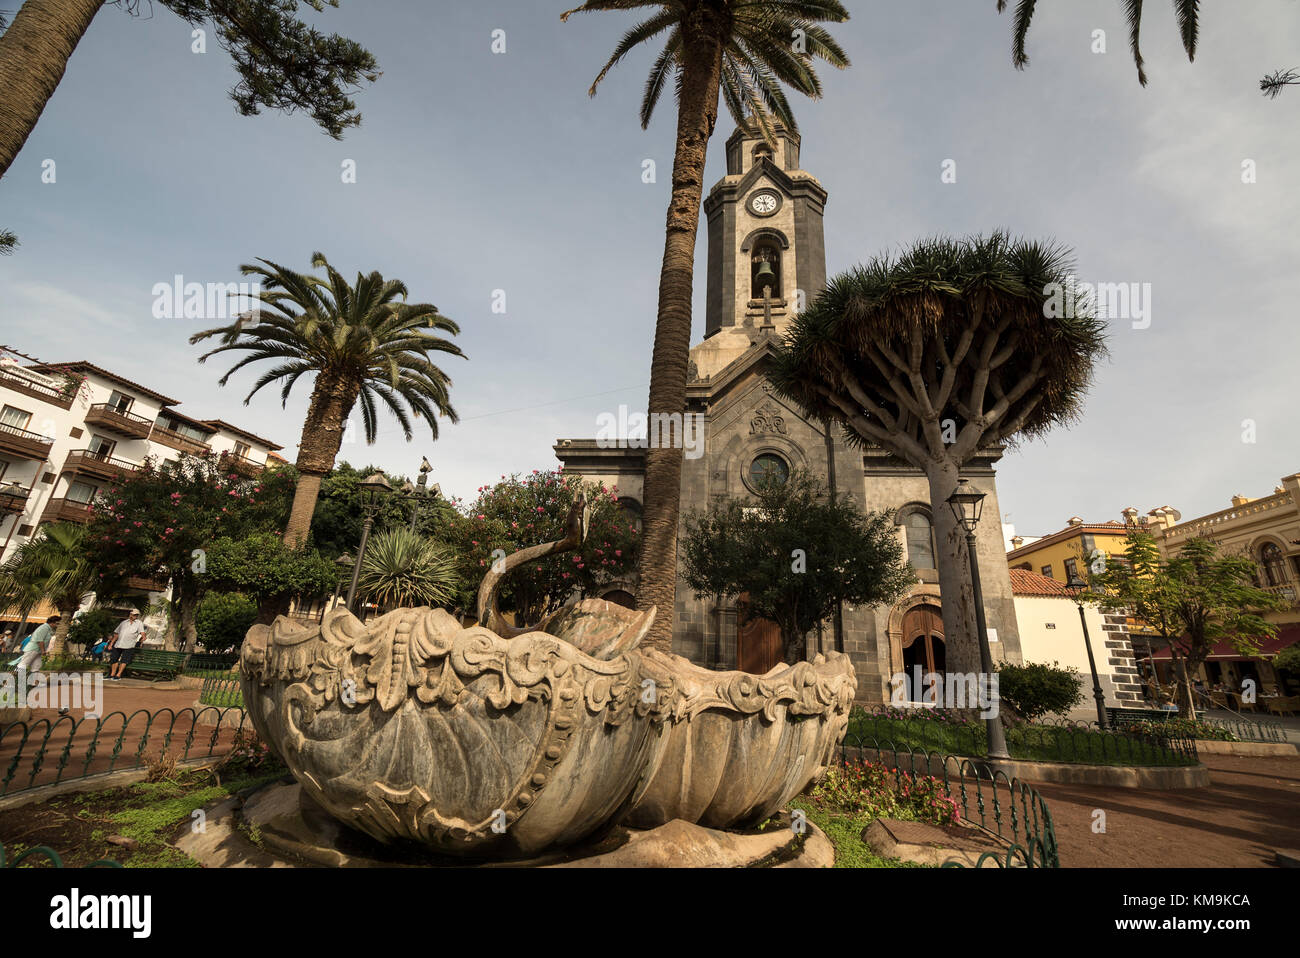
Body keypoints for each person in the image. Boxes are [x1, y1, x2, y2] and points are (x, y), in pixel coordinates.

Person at [106, 609, 146, 681]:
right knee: (114, 659)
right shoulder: (123, 622)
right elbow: (116, 634)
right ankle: (112, 674)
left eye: (135, 615)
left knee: (124, 660)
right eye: (132, 614)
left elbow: (142, 633)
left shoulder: (139, 623)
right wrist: (111, 644)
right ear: (130, 614)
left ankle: (118, 675)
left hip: (129, 645)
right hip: (118, 644)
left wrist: (142, 639)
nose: (133, 616)